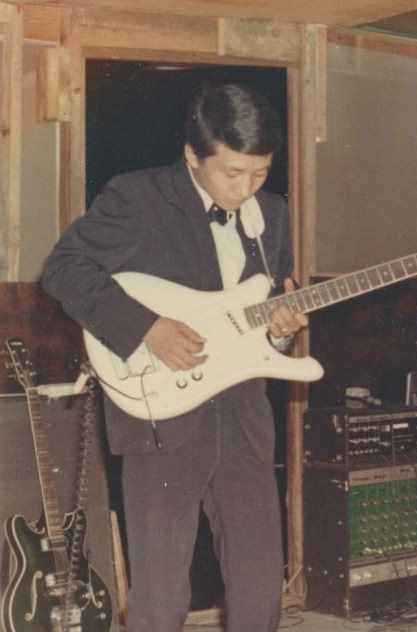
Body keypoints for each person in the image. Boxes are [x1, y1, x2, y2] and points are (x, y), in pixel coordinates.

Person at [41, 84, 307, 632]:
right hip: (159, 413)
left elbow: (263, 318)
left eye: (259, 173)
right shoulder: (139, 197)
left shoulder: (272, 214)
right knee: (160, 597)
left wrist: (281, 332)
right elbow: (64, 268)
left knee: (260, 588)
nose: (246, 188)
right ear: (192, 155)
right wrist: (147, 328)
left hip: (243, 418)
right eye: (232, 173)